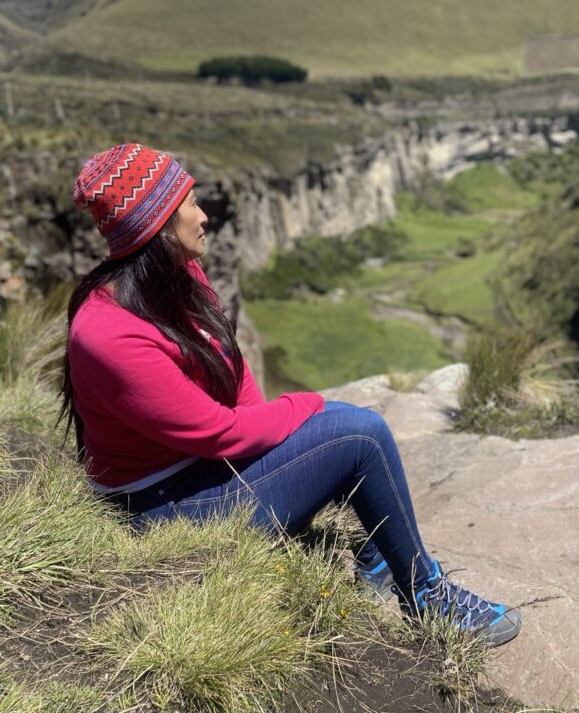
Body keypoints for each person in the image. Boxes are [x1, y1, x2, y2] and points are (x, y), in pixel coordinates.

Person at [61, 142, 521, 647]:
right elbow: (217, 432)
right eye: (189, 204)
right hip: (160, 510)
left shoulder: (178, 274)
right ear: (158, 225)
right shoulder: (107, 332)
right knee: (361, 434)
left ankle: (375, 562)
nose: (205, 215)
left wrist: (284, 444)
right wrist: (305, 408)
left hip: (196, 472)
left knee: (330, 434)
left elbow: (232, 371)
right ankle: (429, 598)